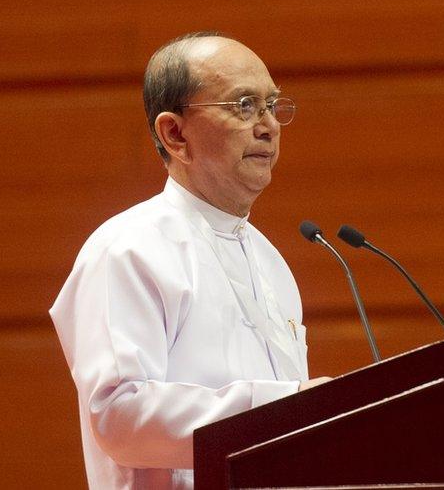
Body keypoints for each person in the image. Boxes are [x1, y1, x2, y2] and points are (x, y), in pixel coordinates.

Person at [50, 31, 329, 489]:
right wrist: (288, 407)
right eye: (243, 106)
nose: (268, 126)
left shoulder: (271, 260)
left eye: (272, 106)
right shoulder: (128, 248)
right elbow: (120, 416)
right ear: (175, 134)